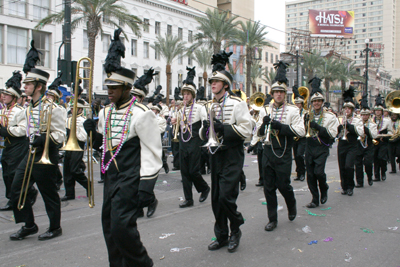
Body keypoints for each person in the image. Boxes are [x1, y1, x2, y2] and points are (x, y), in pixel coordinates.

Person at [83, 29, 161, 266]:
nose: (109, 91)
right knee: (108, 225)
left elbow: (153, 151)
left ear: (127, 88)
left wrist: (147, 186)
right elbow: (106, 144)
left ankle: (143, 263)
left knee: (121, 227)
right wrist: (91, 134)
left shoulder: (141, 114)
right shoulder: (106, 111)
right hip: (110, 174)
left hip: (130, 175)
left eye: (114, 88)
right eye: (108, 87)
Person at [10, 41, 66, 240]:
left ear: (39, 86)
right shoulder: (27, 108)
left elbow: (61, 135)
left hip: (46, 155)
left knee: (49, 193)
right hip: (29, 154)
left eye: (28, 84)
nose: (24, 86)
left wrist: (45, 138)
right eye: (25, 83)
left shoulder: (53, 108)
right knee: (16, 190)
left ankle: (55, 227)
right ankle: (29, 224)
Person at [199, 51, 252, 253]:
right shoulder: (207, 106)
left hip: (232, 154)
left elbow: (247, 130)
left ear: (226, 85)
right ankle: (221, 236)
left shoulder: (238, 104)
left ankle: (236, 228)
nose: (212, 83)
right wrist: (206, 130)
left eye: (217, 81)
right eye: (211, 81)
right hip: (215, 155)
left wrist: (224, 129)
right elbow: (201, 134)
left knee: (226, 197)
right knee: (216, 200)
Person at [256, 61, 305, 232]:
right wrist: (263, 127)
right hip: (268, 151)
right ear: (272, 93)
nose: (278, 95)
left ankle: (291, 205)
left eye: (281, 92)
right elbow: (258, 133)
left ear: (285, 94)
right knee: (268, 187)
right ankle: (272, 219)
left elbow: (301, 131)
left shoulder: (292, 110)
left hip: (283, 152)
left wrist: (280, 127)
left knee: (283, 185)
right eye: (275, 92)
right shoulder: (265, 110)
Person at [171, 67, 210, 208]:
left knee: (194, 170)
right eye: (184, 94)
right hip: (183, 141)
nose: (185, 96)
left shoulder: (199, 108)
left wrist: (204, 128)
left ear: (192, 95)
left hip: (195, 140)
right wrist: (174, 121)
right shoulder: (181, 109)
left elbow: (205, 122)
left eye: (188, 94)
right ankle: (188, 199)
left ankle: (204, 188)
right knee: (184, 172)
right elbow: (177, 124)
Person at [0, 71, 37, 211]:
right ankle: (11, 198)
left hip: (19, 144)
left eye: (7, 94)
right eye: (3, 94)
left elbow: (22, 130)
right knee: (6, 172)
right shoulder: (3, 110)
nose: (4, 96)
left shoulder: (21, 111)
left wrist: (6, 131)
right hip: (8, 144)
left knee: (14, 173)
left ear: (14, 97)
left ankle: (28, 193)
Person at [303, 77, 338, 208]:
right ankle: (315, 199)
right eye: (314, 101)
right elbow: (301, 131)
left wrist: (317, 126)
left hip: (322, 147)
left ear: (322, 102)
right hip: (309, 146)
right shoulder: (307, 114)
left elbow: (332, 133)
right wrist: (304, 122)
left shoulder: (330, 116)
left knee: (319, 172)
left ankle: (324, 188)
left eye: (319, 101)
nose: (316, 103)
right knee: (310, 175)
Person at [131, 67, 160, 218]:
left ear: (142, 99)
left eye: (137, 97)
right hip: (129, 155)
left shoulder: (145, 113)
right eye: (132, 96)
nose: (133, 99)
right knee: (133, 186)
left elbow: (152, 143)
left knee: (142, 185)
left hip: (142, 153)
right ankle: (137, 209)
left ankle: (151, 200)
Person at [337, 86, 364, 196]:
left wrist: (349, 126)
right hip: (342, 144)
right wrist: (339, 128)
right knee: (342, 166)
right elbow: (334, 133)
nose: (347, 110)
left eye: (349, 108)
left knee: (349, 166)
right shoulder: (339, 118)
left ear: (352, 110)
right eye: (345, 108)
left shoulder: (357, 120)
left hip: (352, 145)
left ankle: (350, 186)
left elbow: (361, 132)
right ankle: (344, 187)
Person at [61, 99, 89, 201]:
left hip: (78, 146)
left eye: (75, 109)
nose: (72, 110)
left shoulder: (83, 121)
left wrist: (74, 131)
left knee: (75, 170)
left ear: (80, 109)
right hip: (69, 146)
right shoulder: (68, 119)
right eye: (72, 109)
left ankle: (88, 185)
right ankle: (69, 193)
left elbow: (83, 137)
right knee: (67, 171)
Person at [355, 93, 377, 187]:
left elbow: (374, 135)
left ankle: (369, 176)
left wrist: (366, 130)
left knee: (368, 163)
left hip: (368, 145)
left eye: (366, 115)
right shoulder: (357, 123)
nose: (364, 117)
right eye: (362, 115)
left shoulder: (372, 125)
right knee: (358, 164)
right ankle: (360, 182)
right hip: (359, 145)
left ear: (369, 115)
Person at [373, 95, 392, 181]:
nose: (377, 112)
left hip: (383, 141)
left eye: (379, 111)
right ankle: (376, 175)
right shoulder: (371, 120)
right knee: (375, 158)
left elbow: (391, 132)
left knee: (381, 158)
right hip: (374, 141)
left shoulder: (387, 120)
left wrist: (384, 136)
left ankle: (383, 172)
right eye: (376, 111)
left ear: (381, 111)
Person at [150, 95, 169, 174]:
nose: (153, 111)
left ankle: (164, 164)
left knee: (160, 153)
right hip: (150, 138)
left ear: (157, 112)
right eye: (152, 110)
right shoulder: (149, 118)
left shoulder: (161, 120)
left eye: (154, 110)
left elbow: (162, 129)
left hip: (158, 137)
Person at [292, 85, 307, 182]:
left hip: (303, 137)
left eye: (299, 104)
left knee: (300, 155)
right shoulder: (293, 113)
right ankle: (298, 173)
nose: (297, 105)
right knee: (296, 156)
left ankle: (302, 172)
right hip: (294, 136)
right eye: (296, 104)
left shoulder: (305, 113)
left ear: (302, 104)